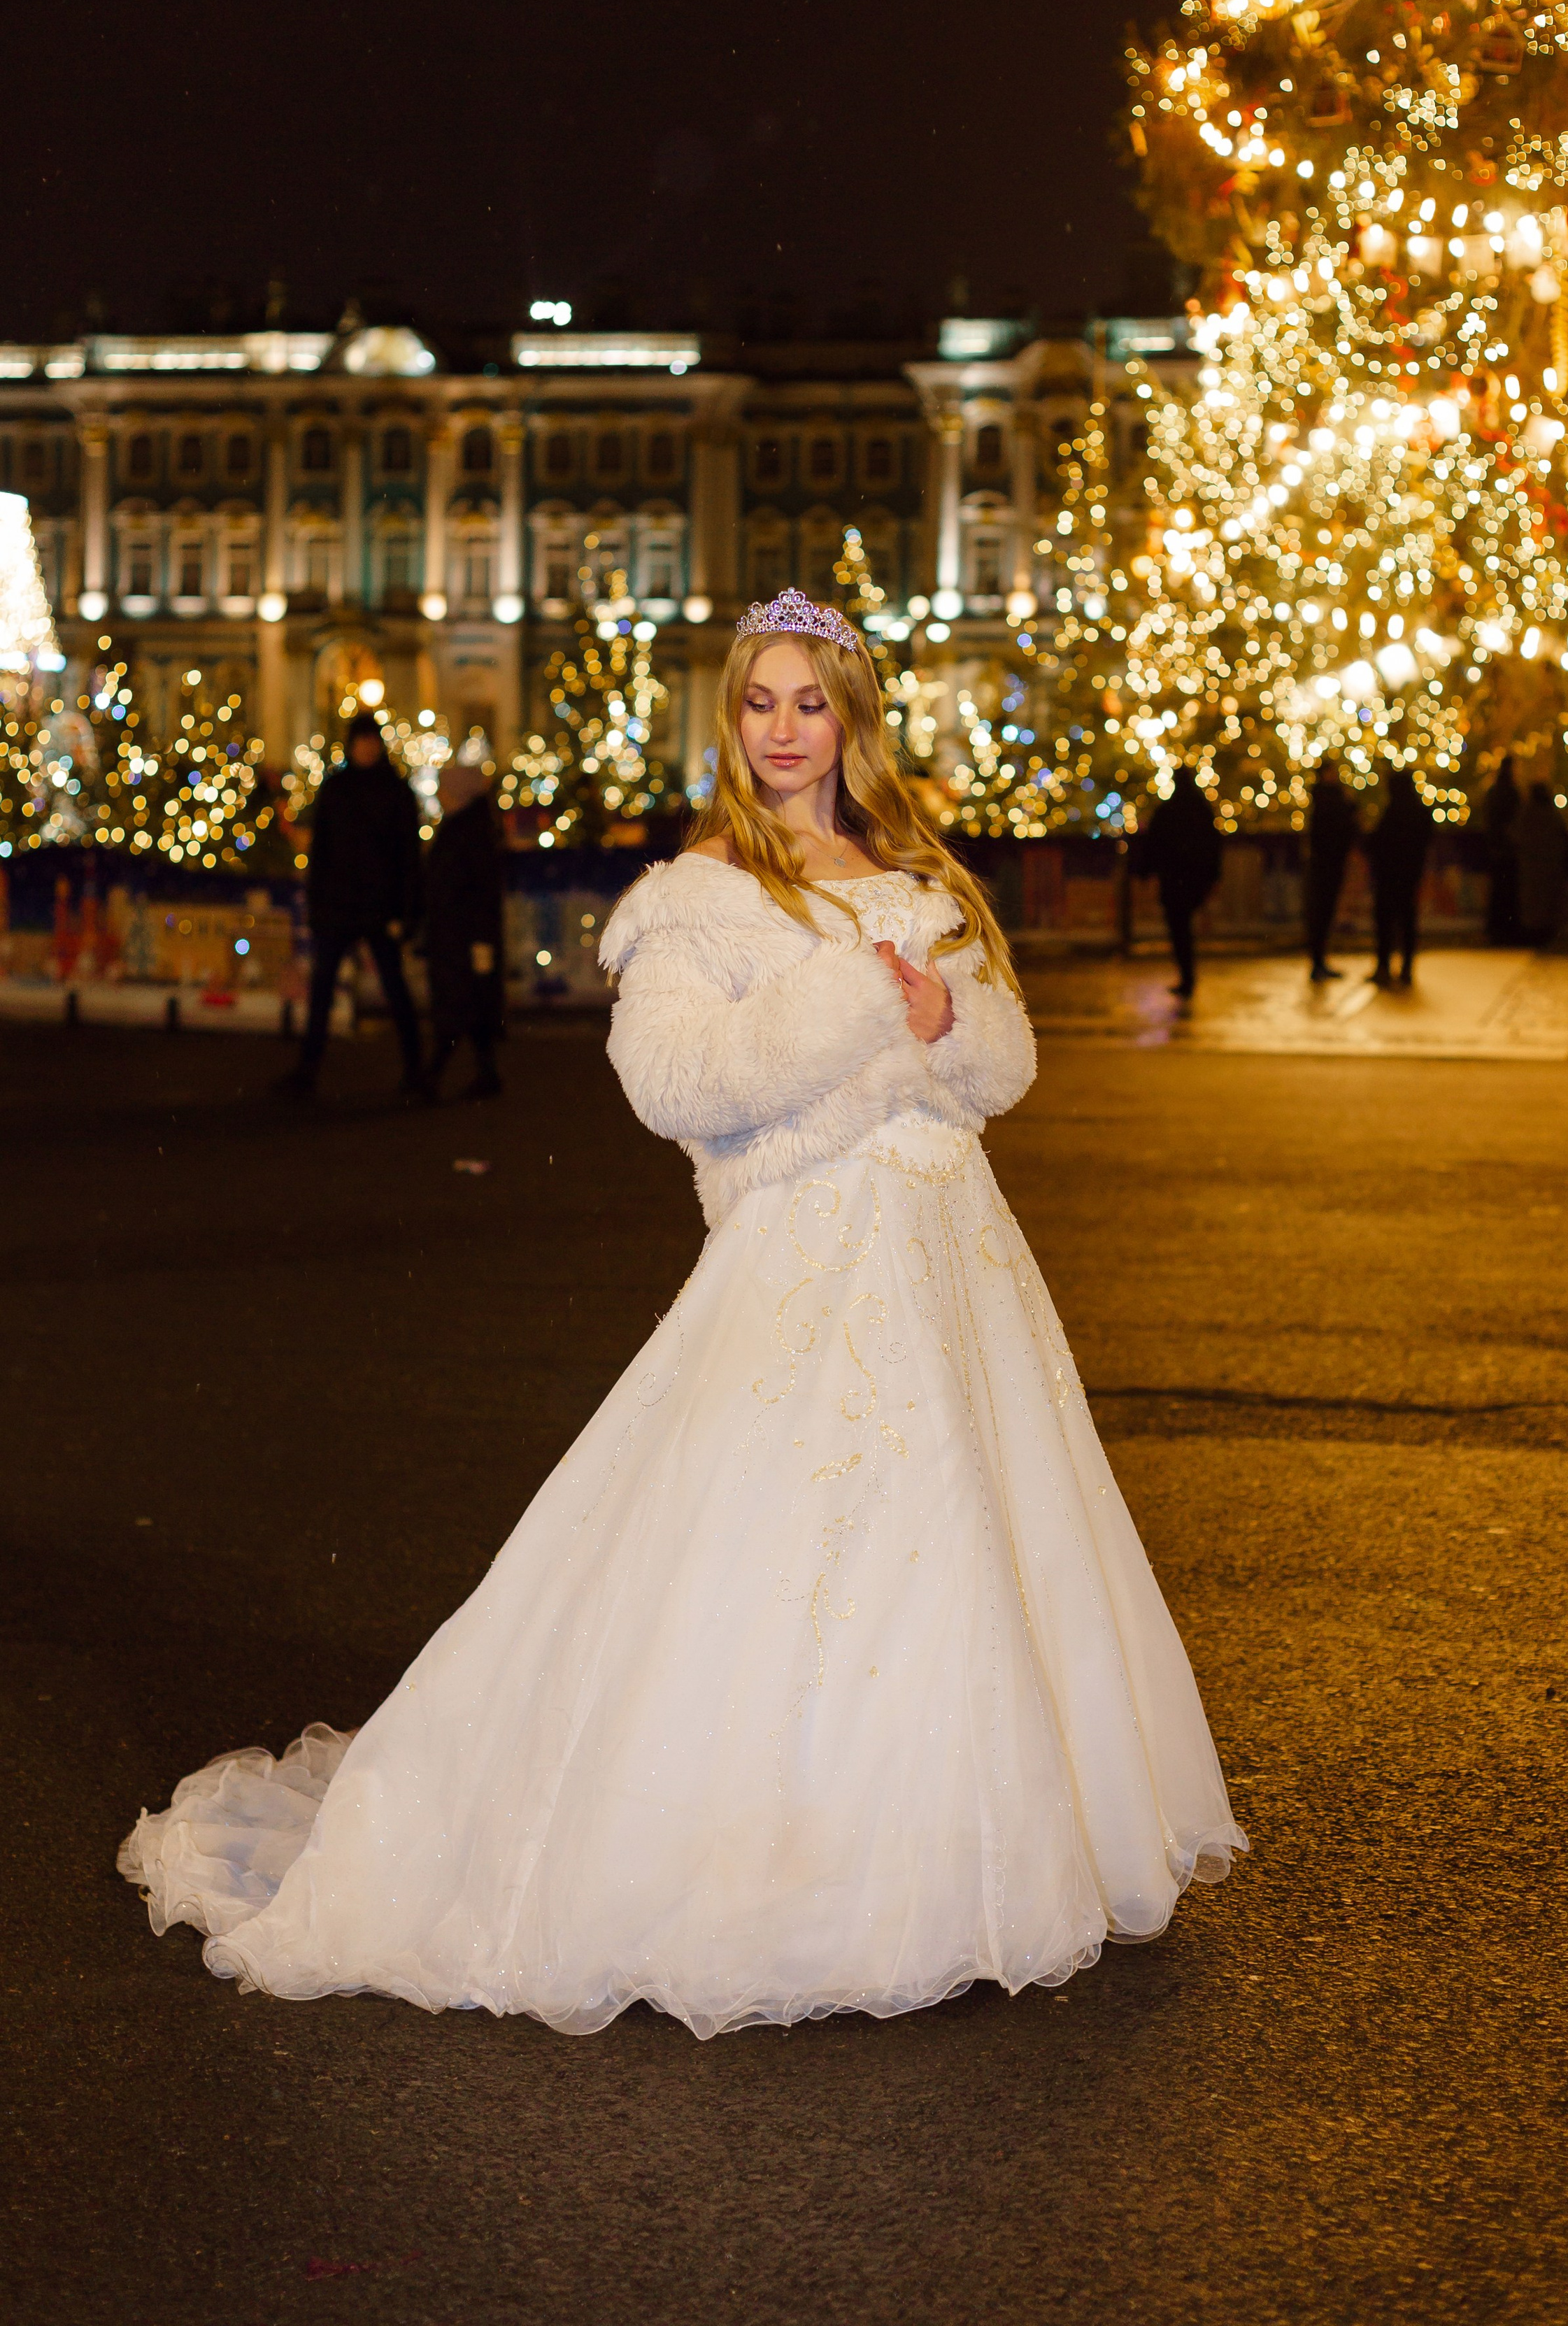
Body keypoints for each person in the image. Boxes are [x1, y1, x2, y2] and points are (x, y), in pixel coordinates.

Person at [120, 589, 1246, 2040]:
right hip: (805, 1257)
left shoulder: (916, 868)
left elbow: (1002, 1065)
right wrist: (853, 1002)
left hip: (951, 1258)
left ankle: (956, 1847)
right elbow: (674, 1085)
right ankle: (789, 1863)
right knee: (779, 1555)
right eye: (759, 704)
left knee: (965, 1538)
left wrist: (944, 1022)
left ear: (851, 714)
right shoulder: (704, 894)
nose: (783, 732)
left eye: (809, 702)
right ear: (733, 720)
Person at [286, 711, 424, 1097]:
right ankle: (307, 1069)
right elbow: (321, 852)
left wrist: (404, 912)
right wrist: (316, 904)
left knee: (396, 990)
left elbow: (408, 859)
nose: (366, 748)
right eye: (360, 741)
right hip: (338, 907)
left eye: (371, 742)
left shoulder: (397, 792)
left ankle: (415, 1068)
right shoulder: (336, 789)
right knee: (322, 991)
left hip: (380, 909)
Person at [422, 761, 505, 1099]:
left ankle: (434, 1073)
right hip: (457, 932)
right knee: (469, 1006)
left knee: (457, 1005)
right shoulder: (468, 827)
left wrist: (481, 940)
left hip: (461, 934)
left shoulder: (467, 832)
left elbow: (480, 890)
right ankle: (484, 1073)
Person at [1131, 766, 1223, 999]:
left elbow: (1154, 844)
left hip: (1174, 881)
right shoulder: (1202, 810)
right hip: (1195, 879)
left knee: (1179, 929)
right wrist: (1213, 876)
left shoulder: (1168, 811)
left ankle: (1187, 975)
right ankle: (1189, 975)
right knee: (1186, 928)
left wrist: (1143, 872)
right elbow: (1214, 845)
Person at [1367, 770, 1434, 987]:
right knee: (1407, 923)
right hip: (1410, 876)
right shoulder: (1419, 812)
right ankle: (1406, 969)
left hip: (1389, 877)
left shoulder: (1392, 812)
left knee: (1386, 923)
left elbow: (1378, 844)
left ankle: (1384, 967)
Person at [1304, 756, 1357, 981]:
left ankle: (1319, 961)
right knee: (1322, 914)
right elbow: (1336, 830)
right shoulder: (1330, 799)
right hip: (1328, 864)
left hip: (1327, 863)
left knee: (1322, 914)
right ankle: (1318, 962)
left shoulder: (1324, 798)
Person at [1516, 779, 1568, 944]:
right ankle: (1544, 934)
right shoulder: (1550, 814)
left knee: (1535, 902)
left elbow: (1515, 835)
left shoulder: (1527, 814)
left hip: (1533, 867)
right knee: (1544, 902)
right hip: (1547, 866)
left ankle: (1536, 934)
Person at [1482, 753, 1522, 946]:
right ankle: (1506, 929)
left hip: (1498, 849)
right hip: (1507, 850)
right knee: (1506, 892)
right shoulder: (1510, 793)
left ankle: (1498, 929)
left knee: (1499, 892)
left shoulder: (1495, 792)